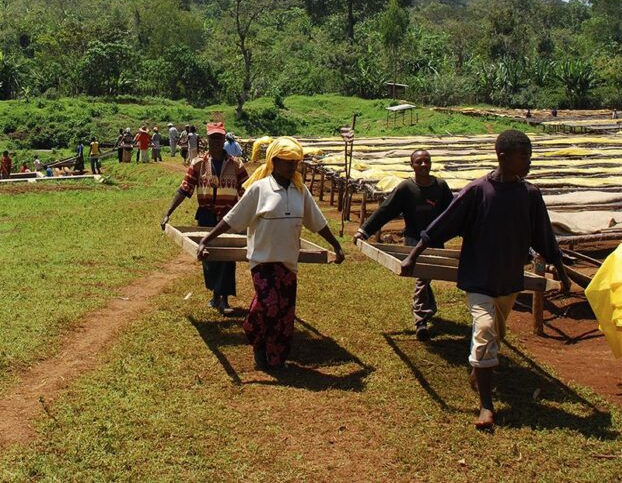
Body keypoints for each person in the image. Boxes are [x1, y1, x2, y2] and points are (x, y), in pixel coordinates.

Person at [400, 130, 570, 430]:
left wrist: (561, 268)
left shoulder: (529, 194)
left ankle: (477, 372)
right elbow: (443, 224)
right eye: (524, 158)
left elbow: (543, 234)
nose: (528, 164)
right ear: (503, 157)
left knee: (495, 336)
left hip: (508, 279)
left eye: (530, 158)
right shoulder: (478, 190)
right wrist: (413, 255)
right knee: (486, 328)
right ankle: (487, 407)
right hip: (478, 277)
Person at [195, 137, 344, 370]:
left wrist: (336, 245)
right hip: (263, 261)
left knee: (284, 316)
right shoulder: (259, 189)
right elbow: (233, 218)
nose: (292, 166)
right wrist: (206, 239)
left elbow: (317, 222)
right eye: (287, 162)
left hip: (288, 262)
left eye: (295, 162)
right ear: (274, 161)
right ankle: (253, 334)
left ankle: (275, 359)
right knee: (269, 305)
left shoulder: (299, 191)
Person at [353, 150, 453, 340]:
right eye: (419, 162)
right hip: (414, 240)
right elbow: (385, 210)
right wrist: (364, 230)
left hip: (436, 240)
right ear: (412, 165)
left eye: (427, 161)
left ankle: (426, 309)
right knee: (423, 276)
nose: (424, 165)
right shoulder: (406, 188)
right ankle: (421, 320)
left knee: (427, 276)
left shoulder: (440, 186)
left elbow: (454, 212)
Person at [161, 122, 249, 316]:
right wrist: (168, 212)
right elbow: (185, 189)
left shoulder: (236, 164)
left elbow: (249, 191)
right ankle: (215, 294)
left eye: (219, 138)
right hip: (206, 214)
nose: (216, 142)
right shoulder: (198, 163)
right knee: (209, 256)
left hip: (228, 216)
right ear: (207, 140)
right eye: (213, 138)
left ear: (224, 140)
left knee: (227, 257)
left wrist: (253, 214)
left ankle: (224, 299)